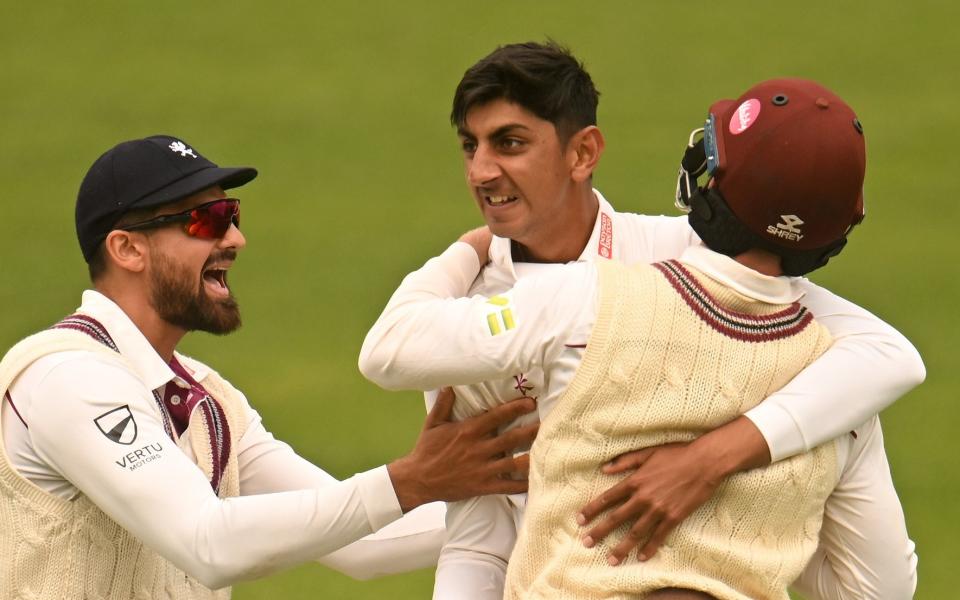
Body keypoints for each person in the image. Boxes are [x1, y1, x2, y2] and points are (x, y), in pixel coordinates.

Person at [360, 43, 923, 600]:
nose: (481, 171)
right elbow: (478, 527)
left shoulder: (691, 259)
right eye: (469, 145)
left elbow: (888, 356)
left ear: (583, 154)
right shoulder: (470, 312)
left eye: (509, 143)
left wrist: (712, 459)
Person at [0, 135, 538, 598]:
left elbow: (363, 544)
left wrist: (554, 493)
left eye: (231, 215)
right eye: (206, 220)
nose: (235, 238)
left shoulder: (206, 399)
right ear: (127, 249)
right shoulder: (67, 379)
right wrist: (407, 482)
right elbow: (207, 543)